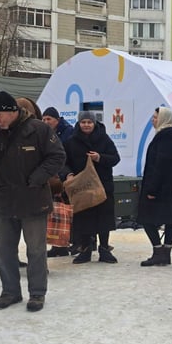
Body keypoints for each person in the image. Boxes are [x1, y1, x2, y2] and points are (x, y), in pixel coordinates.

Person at [0, 91, 65, 312]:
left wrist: (37, 178)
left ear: (13, 112)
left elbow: (57, 156)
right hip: (6, 200)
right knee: (5, 250)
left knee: (36, 250)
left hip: (33, 199)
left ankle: (37, 293)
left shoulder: (39, 130)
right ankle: (10, 291)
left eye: (0, 115)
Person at [63, 110, 121, 264]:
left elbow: (115, 158)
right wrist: (68, 174)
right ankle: (85, 250)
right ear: (79, 123)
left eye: (89, 122)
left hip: (102, 185)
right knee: (84, 218)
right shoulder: (71, 141)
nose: (86, 125)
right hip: (82, 187)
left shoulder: (104, 138)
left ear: (94, 123)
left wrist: (100, 158)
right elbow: (63, 162)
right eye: (83, 122)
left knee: (104, 218)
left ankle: (104, 249)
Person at [136, 106, 172, 267]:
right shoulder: (171, 137)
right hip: (169, 186)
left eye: (156, 117)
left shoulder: (164, 138)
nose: (153, 120)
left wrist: (152, 189)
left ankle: (159, 251)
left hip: (159, 186)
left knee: (147, 218)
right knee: (169, 218)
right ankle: (166, 252)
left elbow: (160, 165)